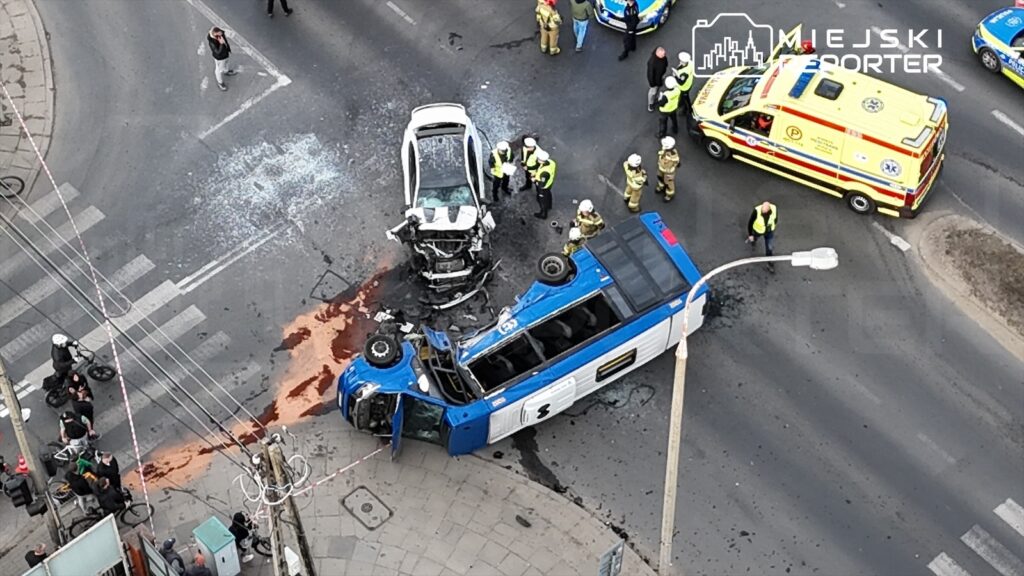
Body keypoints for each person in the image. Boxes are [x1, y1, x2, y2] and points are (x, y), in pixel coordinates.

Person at [747, 201, 779, 270]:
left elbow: (775, 218)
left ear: (768, 209)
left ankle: (769, 262)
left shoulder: (774, 208)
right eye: (762, 210)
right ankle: (753, 240)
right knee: (754, 237)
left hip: (769, 231)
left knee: (769, 247)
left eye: (764, 211)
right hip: (758, 230)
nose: (762, 212)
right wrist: (750, 234)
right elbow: (750, 223)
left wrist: (772, 226)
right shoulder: (757, 211)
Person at [207, 27, 237, 91]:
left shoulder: (220, 33)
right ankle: (220, 82)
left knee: (226, 63)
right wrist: (221, 44)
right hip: (219, 58)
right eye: (219, 34)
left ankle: (226, 71)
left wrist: (227, 48)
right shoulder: (212, 42)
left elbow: (225, 40)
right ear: (215, 34)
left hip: (225, 54)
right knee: (219, 70)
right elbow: (217, 52)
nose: (221, 34)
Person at [532, 150, 557, 219]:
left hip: (543, 188)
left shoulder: (544, 173)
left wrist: (535, 180)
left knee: (542, 201)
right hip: (549, 184)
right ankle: (549, 206)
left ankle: (543, 214)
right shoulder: (551, 162)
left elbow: (542, 184)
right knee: (548, 195)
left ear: (542, 161)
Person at [673, 52, 695, 127]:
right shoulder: (690, 63)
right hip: (689, 83)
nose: (680, 62)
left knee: (686, 98)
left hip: (684, 87)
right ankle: (683, 105)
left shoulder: (684, 72)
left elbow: (681, 82)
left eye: (681, 61)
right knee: (683, 97)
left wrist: (675, 76)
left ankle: (688, 110)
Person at [656, 136, 680, 202]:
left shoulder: (674, 154)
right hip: (661, 168)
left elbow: (676, 162)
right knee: (660, 177)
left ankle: (669, 194)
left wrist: (672, 167)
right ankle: (661, 186)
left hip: (669, 171)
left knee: (669, 183)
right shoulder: (664, 149)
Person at [646, 47, 668, 112]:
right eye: (663, 55)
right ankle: (651, 104)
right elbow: (650, 75)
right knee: (653, 92)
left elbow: (665, 63)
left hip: (660, 77)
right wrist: (652, 84)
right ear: (658, 53)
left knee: (657, 89)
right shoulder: (652, 63)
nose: (664, 55)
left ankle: (656, 96)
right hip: (655, 82)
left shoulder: (663, 57)